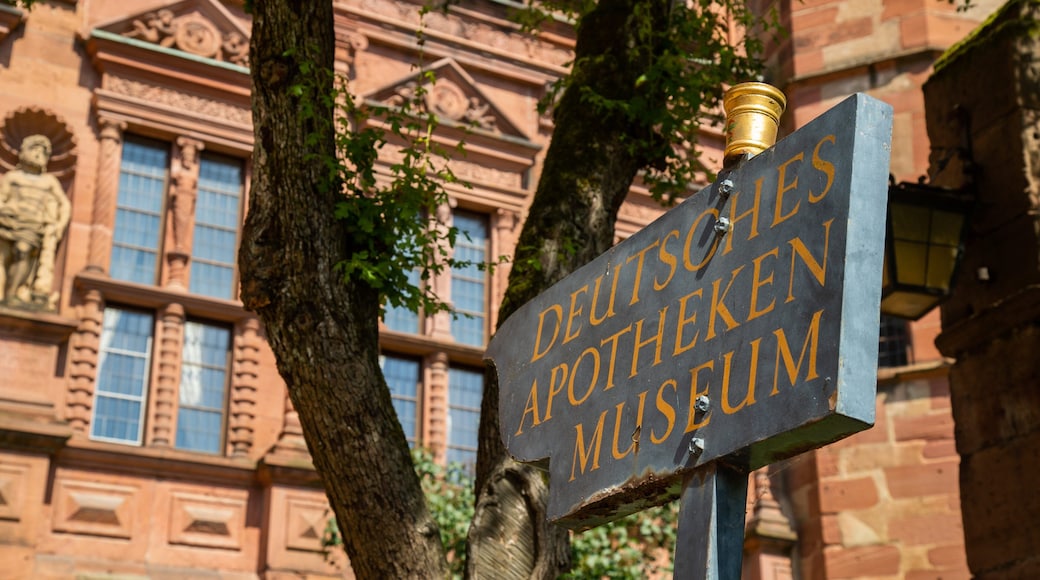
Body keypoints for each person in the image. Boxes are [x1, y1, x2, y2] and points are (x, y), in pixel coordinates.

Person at [0, 134, 70, 308]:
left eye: (43, 152)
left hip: (32, 225)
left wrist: (59, 225)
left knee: (23, 251)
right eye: (35, 150)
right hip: (8, 221)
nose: (38, 154)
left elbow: (64, 204)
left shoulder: (49, 181)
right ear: (25, 152)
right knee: (3, 258)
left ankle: (12, 294)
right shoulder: (12, 177)